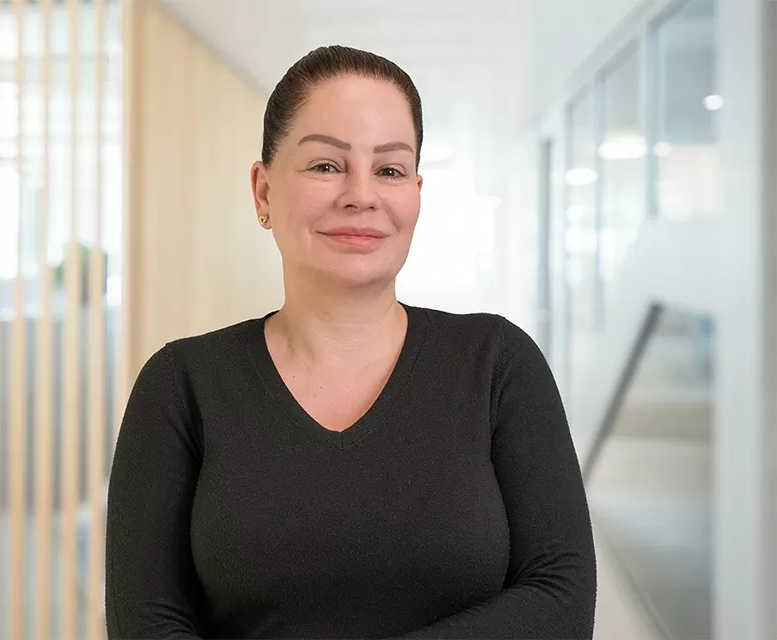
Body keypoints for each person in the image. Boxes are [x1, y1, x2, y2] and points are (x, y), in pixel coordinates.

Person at [105, 45, 596, 639]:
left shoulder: (497, 363)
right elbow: (147, 621)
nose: (361, 195)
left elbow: (560, 598)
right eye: (325, 165)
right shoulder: (182, 385)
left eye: (389, 170)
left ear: (416, 192)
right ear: (263, 191)